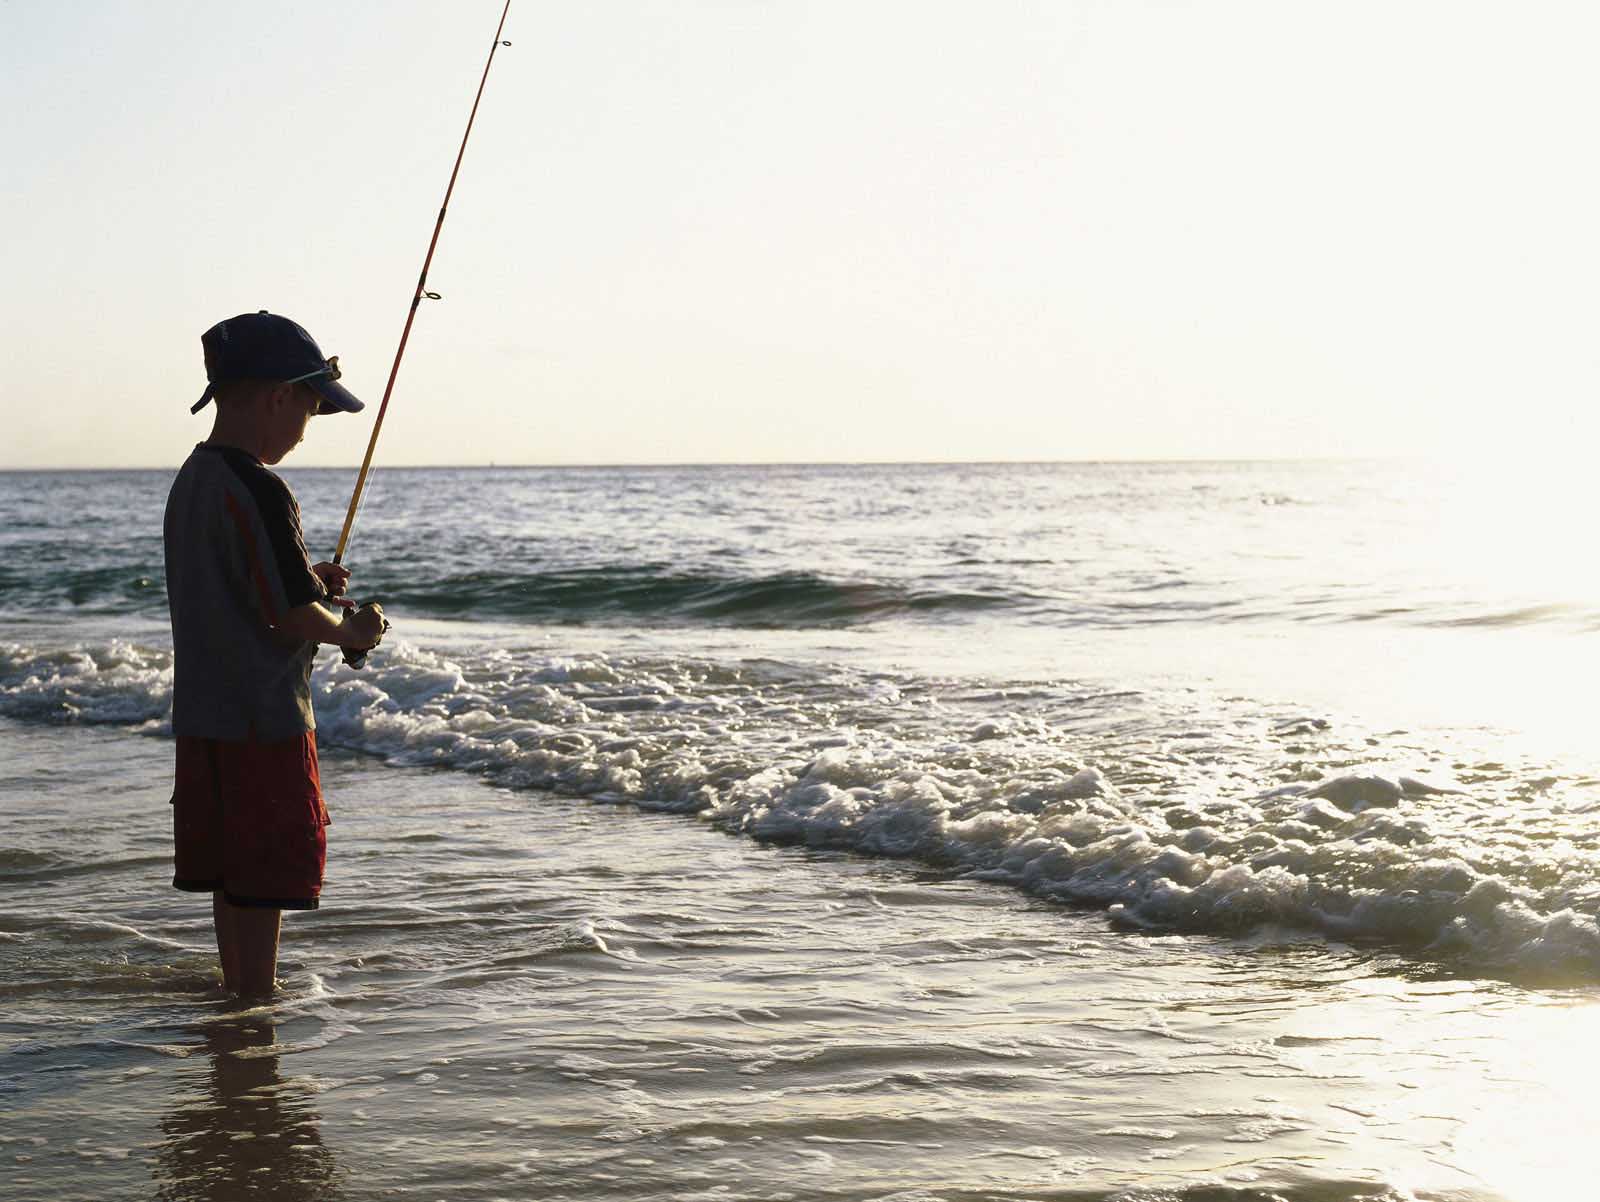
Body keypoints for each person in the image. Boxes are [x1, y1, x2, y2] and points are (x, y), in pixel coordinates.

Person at [164, 310, 388, 998]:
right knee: (264, 882)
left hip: (204, 721)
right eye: (311, 411)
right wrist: (356, 631)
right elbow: (292, 613)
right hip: (264, 723)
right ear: (277, 396)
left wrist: (310, 580)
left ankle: (240, 994)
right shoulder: (261, 487)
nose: (304, 430)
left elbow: (244, 587)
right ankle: (256, 1008)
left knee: (234, 878)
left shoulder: (193, 481)